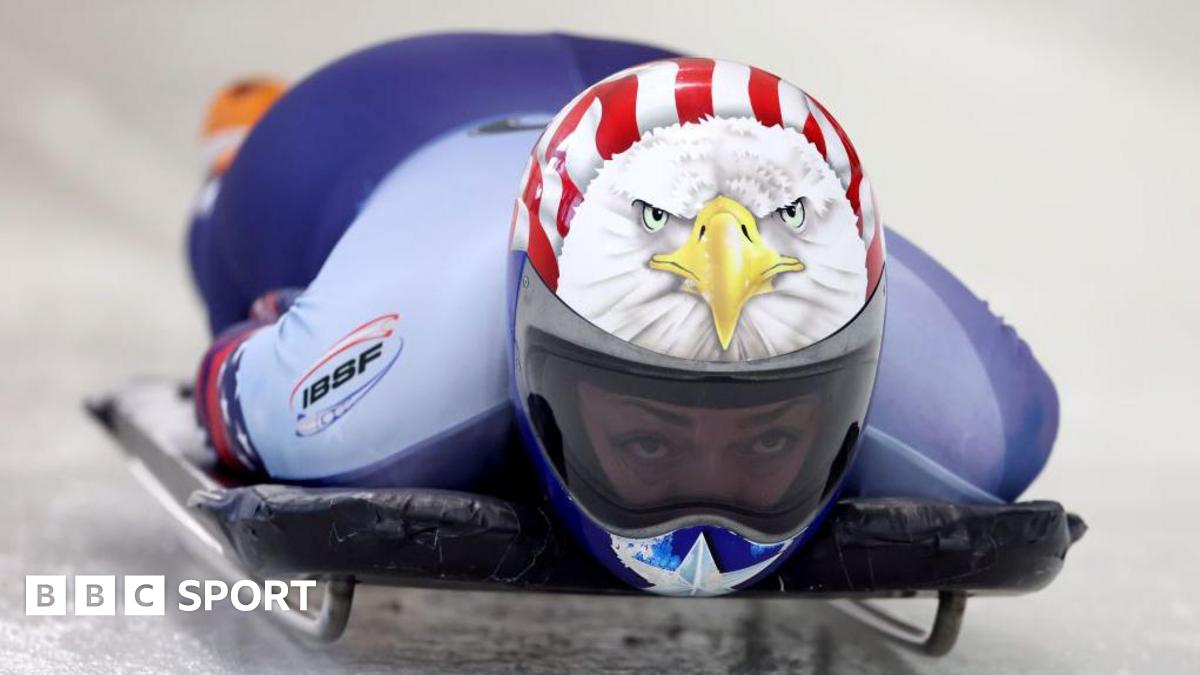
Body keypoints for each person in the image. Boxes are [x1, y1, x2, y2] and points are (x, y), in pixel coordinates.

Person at [189, 34, 1058, 593]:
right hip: (353, 131)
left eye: (768, 439)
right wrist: (290, 320)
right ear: (526, 351)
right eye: (648, 440)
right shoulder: (350, 407)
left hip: (677, 107)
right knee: (230, 244)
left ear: (864, 375)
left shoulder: (980, 420)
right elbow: (235, 369)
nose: (707, 521)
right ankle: (240, 141)